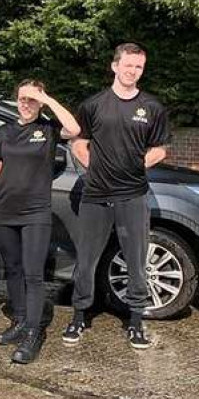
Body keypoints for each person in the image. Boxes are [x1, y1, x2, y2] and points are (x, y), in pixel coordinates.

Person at [66, 43, 170, 349]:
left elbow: (161, 148)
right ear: (115, 66)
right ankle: (79, 316)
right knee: (86, 260)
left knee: (136, 261)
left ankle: (136, 322)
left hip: (133, 196)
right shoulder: (94, 104)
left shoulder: (152, 107)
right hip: (96, 195)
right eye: (128, 65)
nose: (132, 71)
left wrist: (141, 163)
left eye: (138, 67)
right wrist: (92, 165)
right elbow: (78, 142)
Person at [0, 81, 80, 364]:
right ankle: (19, 320)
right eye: (22, 99)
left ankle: (33, 331)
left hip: (36, 212)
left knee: (33, 272)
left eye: (31, 99)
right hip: (4, 210)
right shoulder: (4, 131)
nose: (25, 104)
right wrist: (9, 182)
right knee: (13, 269)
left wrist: (47, 99)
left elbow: (75, 130)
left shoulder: (49, 130)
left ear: (40, 101)